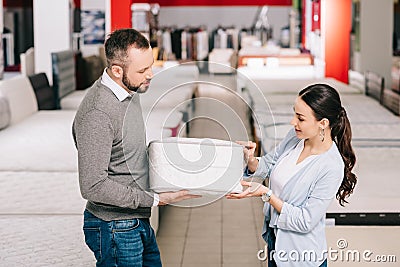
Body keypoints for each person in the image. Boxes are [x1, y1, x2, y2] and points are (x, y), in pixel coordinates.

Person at [72, 28, 197, 266]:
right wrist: (154, 199)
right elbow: (92, 186)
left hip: (135, 219)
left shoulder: (130, 89)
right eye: (143, 70)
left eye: (150, 65)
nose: (151, 74)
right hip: (114, 227)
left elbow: (125, 150)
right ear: (117, 70)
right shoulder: (98, 113)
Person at [228, 84, 357, 267]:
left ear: (323, 123)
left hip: (301, 257)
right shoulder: (296, 137)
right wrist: (251, 160)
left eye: (300, 118)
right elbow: (271, 163)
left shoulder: (331, 166)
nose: (293, 122)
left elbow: (305, 221)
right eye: (294, 114)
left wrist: (267, 194)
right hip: (277, 244)